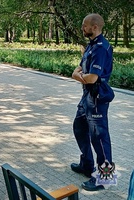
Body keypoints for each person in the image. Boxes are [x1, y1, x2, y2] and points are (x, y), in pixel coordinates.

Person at [71, 13, 114, 191]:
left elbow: (92, 77)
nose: (83, 28)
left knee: (100, 139)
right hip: (86, 97)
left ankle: (105, 178)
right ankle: (87, 165)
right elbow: (81, 70)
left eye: (85, 25)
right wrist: (80, 75)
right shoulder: (91, 46)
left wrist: (77, 76)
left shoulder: (101, 48)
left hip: (96, 97)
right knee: (79, 127)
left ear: (94, 27)